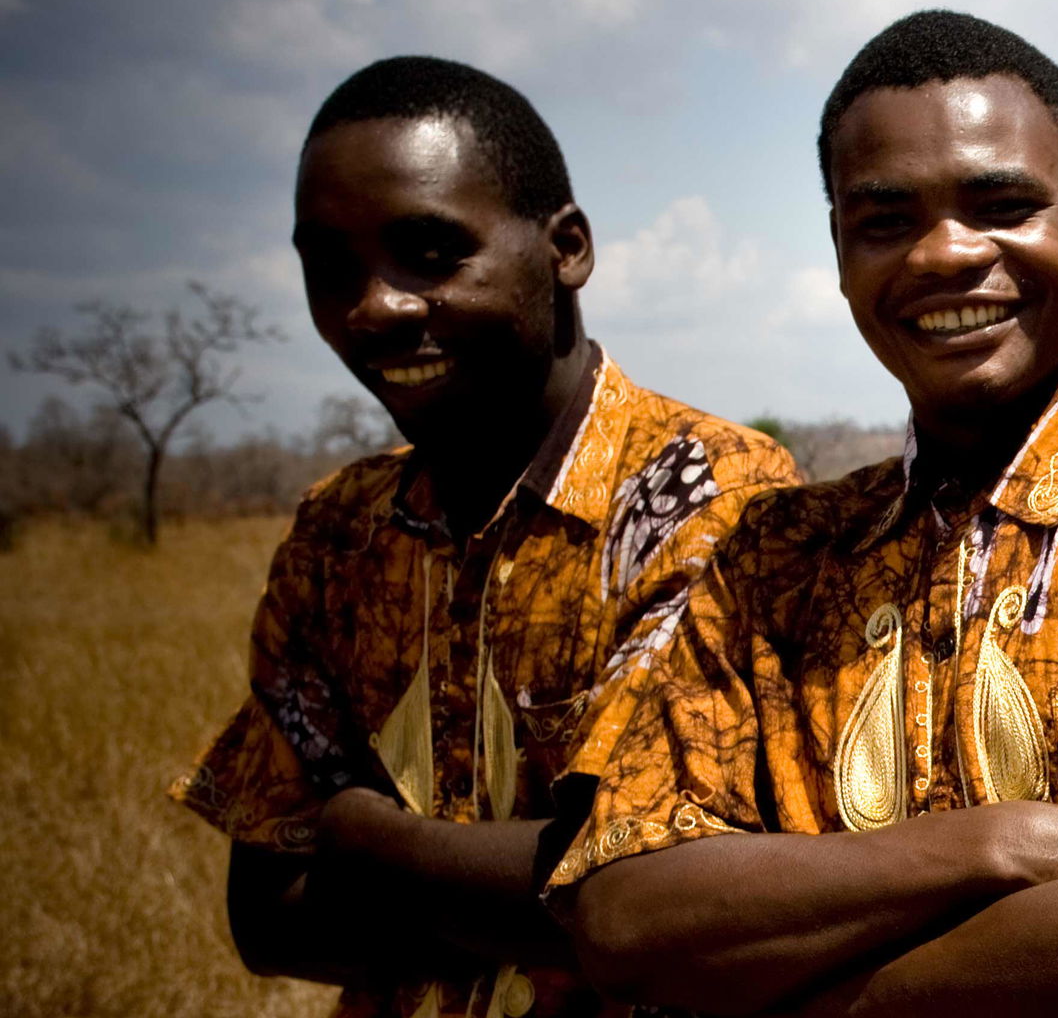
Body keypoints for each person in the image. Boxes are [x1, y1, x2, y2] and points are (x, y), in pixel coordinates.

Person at [544, 10, 1058, 1016]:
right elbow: (623, 915)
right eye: (887, 222)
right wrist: (995, 848)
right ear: (839, 251)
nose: (947, 254)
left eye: (1000, 204)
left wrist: (815, 981)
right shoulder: (777, 558)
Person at [173, 55, 801, 1018]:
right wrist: (523, 882)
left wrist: (364, 837)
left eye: (430, 253)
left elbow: (640, 905)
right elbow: (271, 919)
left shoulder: (712, 500)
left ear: (569, 249)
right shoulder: (338, 534)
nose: (374, 305)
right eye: (332, 268)